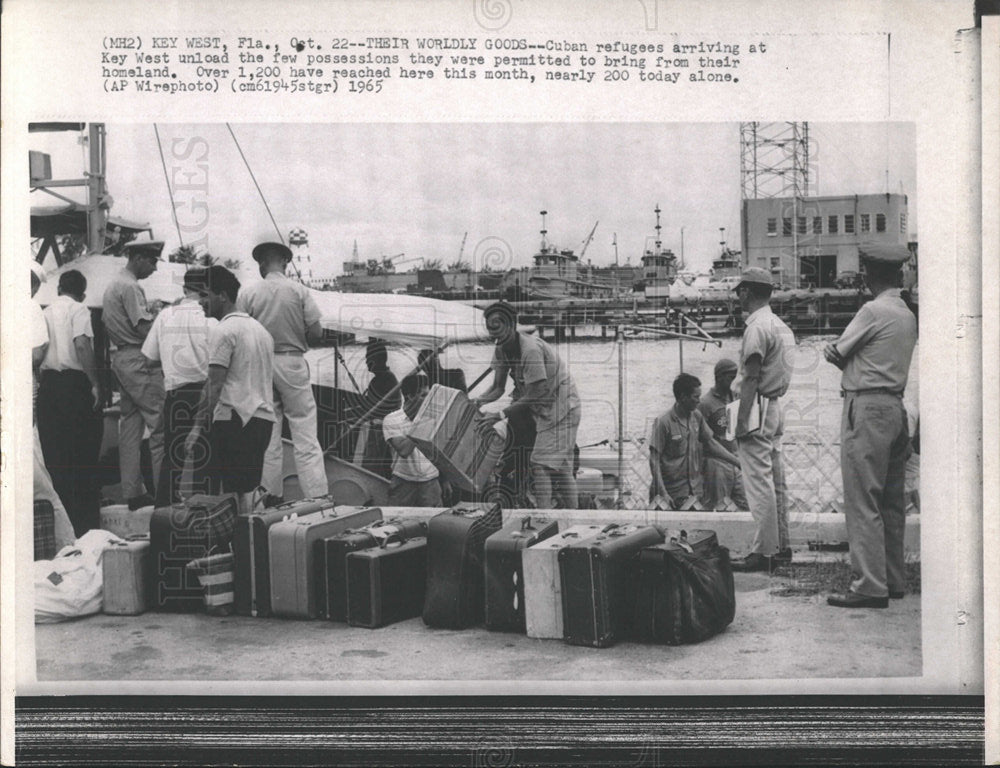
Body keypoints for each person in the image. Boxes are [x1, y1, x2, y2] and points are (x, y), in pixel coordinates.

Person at [823, 245, 917, 608]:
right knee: (892, 502)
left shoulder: (872, 310)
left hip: (866, 406)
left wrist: (842, 357)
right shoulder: (907, 314)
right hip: (896, 406)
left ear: (870, 275)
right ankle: (893, 580)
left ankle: (869, 585)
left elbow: (838, 352)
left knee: (863, 499)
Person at [236, 241, 328, 505]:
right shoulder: (299, 291)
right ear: (285, 262)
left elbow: (240, 331)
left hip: (261, 365)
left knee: (268, 435)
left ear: (262, 263)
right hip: (292, 361)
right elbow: (317, 332)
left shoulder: (249, 293)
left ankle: (270, 498)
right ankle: (317, 497)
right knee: (305, 433)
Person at [475, 301, 580, 509]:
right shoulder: (501, 349)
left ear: (511, 324)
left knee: (539, 464)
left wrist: (500, 414)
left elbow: (537, 392)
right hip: (544, 410)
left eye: (496, 327)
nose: (492, 332)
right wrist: (474, 403)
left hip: (562, 407)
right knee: (562, 467)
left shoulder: (530, 349)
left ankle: (544, 518)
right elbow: (497, 388)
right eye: (489, 327)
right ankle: (574, 515)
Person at [191, 266, 275, 509]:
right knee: (248, 490)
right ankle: (253, 542)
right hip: (263, 420)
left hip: (235, 420)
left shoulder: (224, 330)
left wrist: (196, 428)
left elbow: (214, 384)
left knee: (230, 495)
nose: (201, 303)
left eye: (205, 295)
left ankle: (239, 544)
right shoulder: (262, 332)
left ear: (223, 296)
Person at [730, 268, 795, 573]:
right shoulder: (780, 326)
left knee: (757, 481)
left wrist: (742, 421)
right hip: (775, 404)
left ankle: (764, 550)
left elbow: (751, 376)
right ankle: (781, 545)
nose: (737, 295)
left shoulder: (756, 327)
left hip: (757, 404)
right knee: (775, 479)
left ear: (748, 291)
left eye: (740, 290)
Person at [37, 269, 105, 536]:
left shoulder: (44, 312)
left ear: (58, 289)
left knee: (56, 459)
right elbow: (82, 345)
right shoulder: (79, 310)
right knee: (83, 456)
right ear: (82, 292)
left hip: (49, 386)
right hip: (74, 386)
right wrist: (95, 383)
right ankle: (85, 525)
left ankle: (63, 529)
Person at [141, 268, 217, 506]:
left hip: (176, 392)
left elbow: (148, 359)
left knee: (172, 456)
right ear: (207, 291)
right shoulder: (211, 320)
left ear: (184, 289)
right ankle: (203, 511)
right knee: (204, 455)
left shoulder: (165, 316)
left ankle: (163, 511)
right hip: (205, 391)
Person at [102, 240, 166, 510]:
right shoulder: (130, 287)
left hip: (121, 358)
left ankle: (132, 492)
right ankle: (166, 492)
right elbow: (143, 330)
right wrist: (163, 318)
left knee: (129, 426)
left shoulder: (114, 284)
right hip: (139, 359)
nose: (153, 269)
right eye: (152, 262)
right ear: (138, 258)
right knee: (161, 426)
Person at [30, 264, 76, 549]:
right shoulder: (26, 306)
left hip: (18, 393)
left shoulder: (30, 308)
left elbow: (36, 352)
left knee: (35, 474)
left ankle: (64, 544)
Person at [648, 373, 741, 510]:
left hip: (694, 493)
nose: (699, 401)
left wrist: (737, 462)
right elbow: (654, 460)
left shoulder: (696, 417)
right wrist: (663, 494)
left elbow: (711, 443)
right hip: (670, 494)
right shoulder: (663, 423)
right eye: (695, 397)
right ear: (683, 397)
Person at [382, 372, 444, 506]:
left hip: (431, 482)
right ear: (409, 396)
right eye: (423, 395)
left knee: (434, 523)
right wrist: (421, 422)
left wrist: (446, 481)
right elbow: (404, 450)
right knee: (396, 521)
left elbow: (442, 453)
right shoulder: (392, 419)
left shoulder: (434, 417)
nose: (429, 400)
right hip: (403, 483)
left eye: (429, 395)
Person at [697, 358, 750, 510]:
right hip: (716, 463)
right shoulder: (705, 403)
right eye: (730, 376)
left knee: (747, 504)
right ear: (719, 377)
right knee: (718, 505)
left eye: (735, 376)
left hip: (737, 459)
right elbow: (704, 440)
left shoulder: (735, 398)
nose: (733, 380)